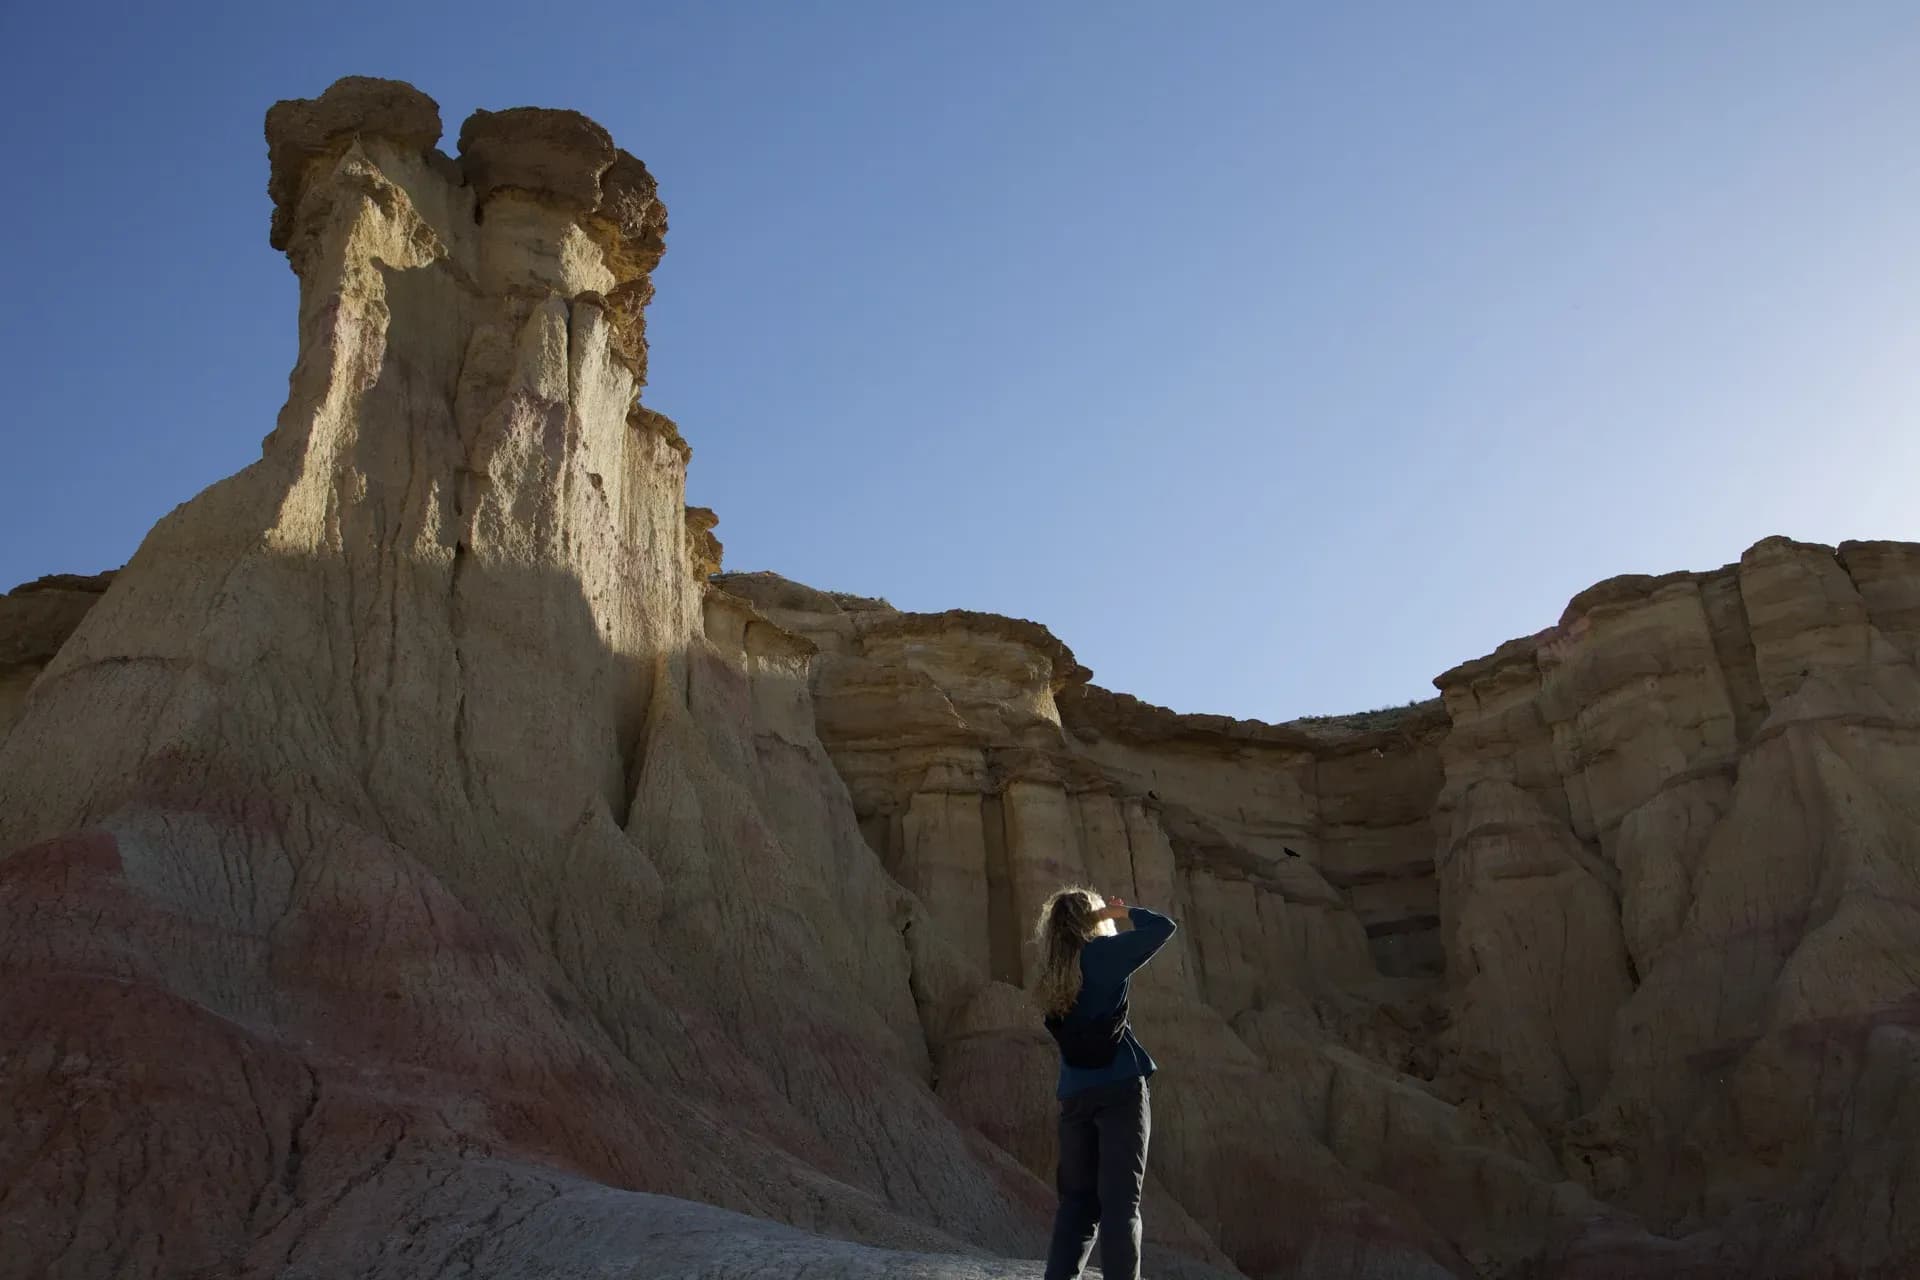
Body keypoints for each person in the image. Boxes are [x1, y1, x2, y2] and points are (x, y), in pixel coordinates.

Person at [1033, 886, 1178, 1280]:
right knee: (1120, 1208)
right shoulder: (1100, 956)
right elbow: (1163, 927)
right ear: (1088, 921)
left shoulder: (1053, 973)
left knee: (1077, 1206)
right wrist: (1115, 914)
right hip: (1120, 1091)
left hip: (1075, 1097)